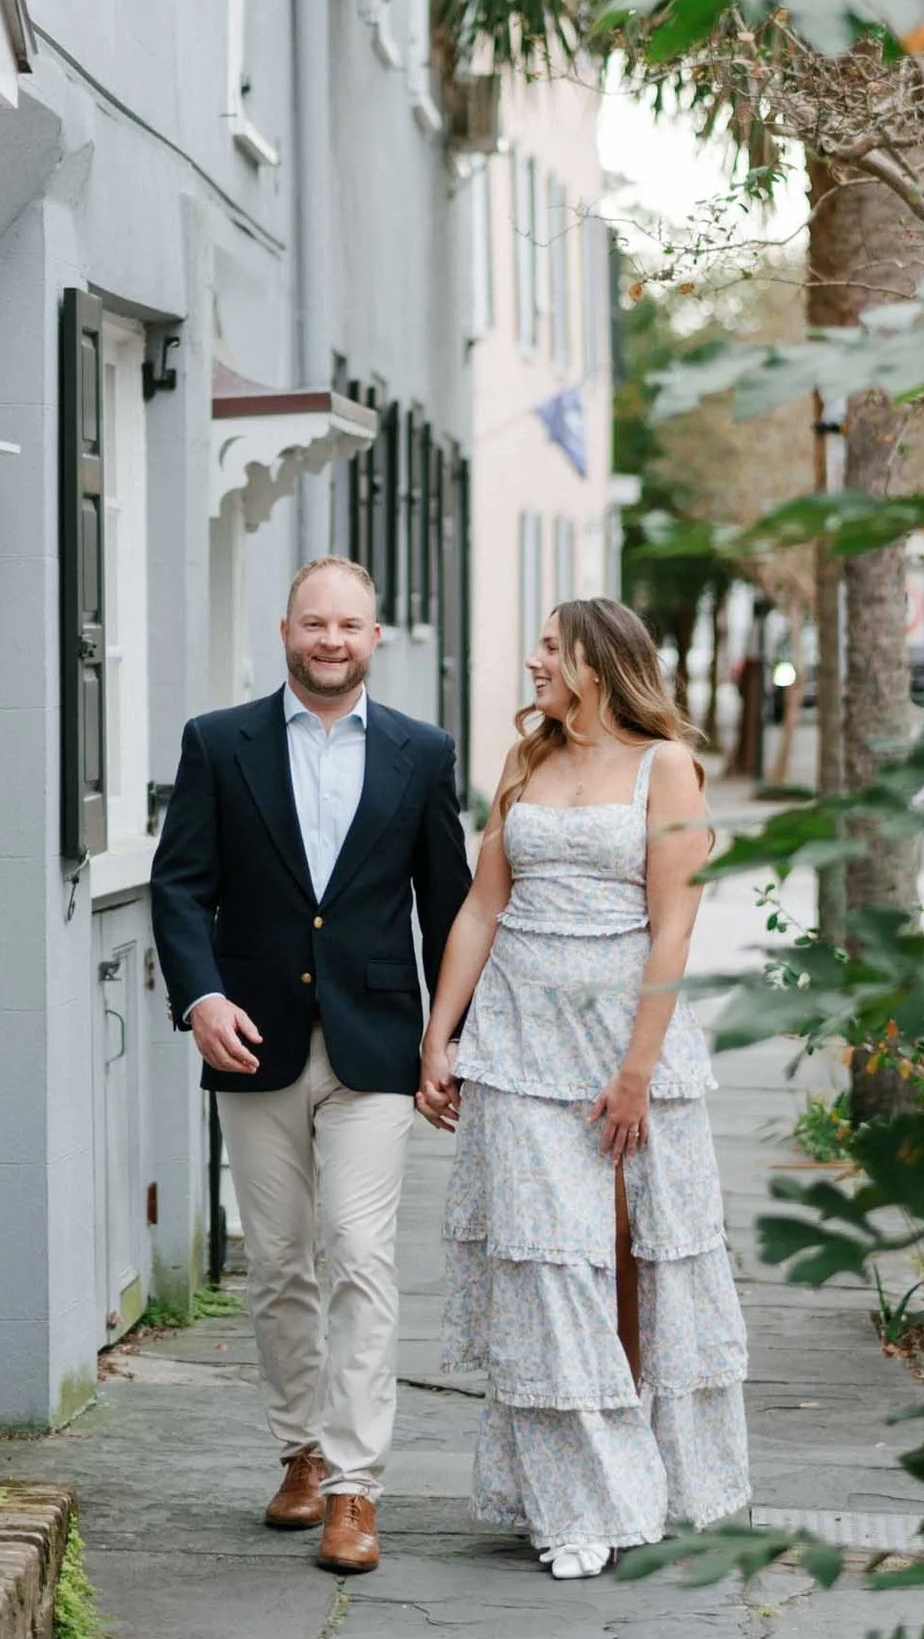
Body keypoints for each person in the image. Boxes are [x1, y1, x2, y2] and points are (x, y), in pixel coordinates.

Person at [150, 555, 472, 1576]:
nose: (333, 640)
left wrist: (447, 1038)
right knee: (279, 1261)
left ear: (374, 636)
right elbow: (178, 885)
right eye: (315, 623)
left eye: (350, 625)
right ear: (285, 629)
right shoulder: (218, 743)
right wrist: (199, 1000)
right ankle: (297, 1448)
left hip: (376, 1045)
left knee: (359, 1255)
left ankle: (352, 1487)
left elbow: (448, 907)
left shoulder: (422, 753)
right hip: (253, 1038)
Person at [418, 598, 750, 1579]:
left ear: (597, 665)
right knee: (546, 1269)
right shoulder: (524, 763)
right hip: (516, 1044)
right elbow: (482, 905)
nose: (532, 660)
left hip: (623, 1044)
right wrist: (441, 1038)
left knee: (653, 1269)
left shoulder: (666, 766)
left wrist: (638, 1071)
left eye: (549, 646)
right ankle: (577, 1503)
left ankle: (652, 1482)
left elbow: (674, 928)